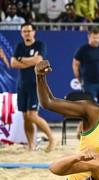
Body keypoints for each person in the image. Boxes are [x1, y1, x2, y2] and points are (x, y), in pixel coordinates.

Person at [10, 22, 55, 152]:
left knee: (32, 116)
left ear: (34, 32)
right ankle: (31, 145)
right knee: (25, 117)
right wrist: (29, 61)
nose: (27, 33)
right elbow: (13, 63)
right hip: (22, 85)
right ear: (21, 33)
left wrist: (21, 59)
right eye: (24, 31)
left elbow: (38, 61)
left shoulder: (40, 45)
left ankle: (52, 138)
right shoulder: (19, 46)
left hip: (35, 84)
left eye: (29, 31)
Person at [73, 27, 99, 104]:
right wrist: (79, 78)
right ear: (89, 37)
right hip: (88, 84)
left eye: (98, 37)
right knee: (89, 105)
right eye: (94, 38)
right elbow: (75, 64)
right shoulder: (83, 49)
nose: (96, 40)